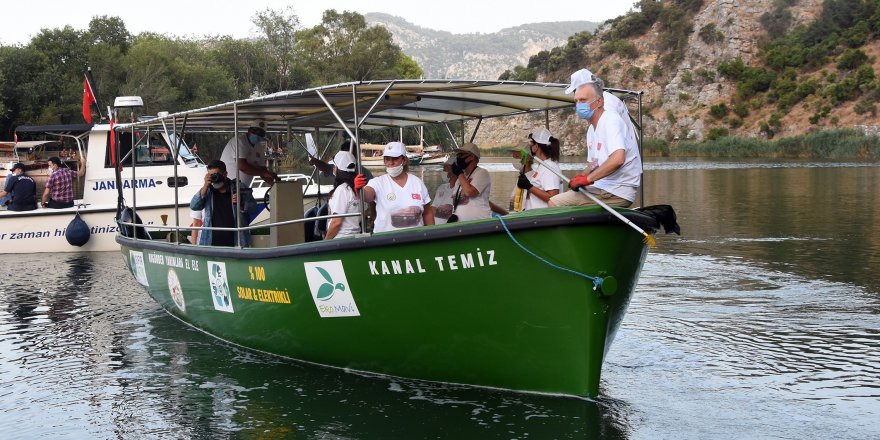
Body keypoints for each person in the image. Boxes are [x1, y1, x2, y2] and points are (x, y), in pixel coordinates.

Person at [549, 79, 643, 208]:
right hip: (603, 187)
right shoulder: (591, 130)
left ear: (599, 101)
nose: (579, 105)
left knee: (554, 203)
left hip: (616, 190)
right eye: (576, 101)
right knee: (569, 195)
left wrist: (587, 179)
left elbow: (618, 159)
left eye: (583, 100)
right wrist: (582, 175)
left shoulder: (610, 121)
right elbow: (594, 164)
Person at [355, 141, 434, 233]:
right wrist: (359, 189)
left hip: (415, 240)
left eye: (395, 159)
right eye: (387, 159)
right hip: (386, 241)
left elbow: (428, 213)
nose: (391, 163)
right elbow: (367, 196)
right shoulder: (377, 182)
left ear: (404, 160)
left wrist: (431, 235)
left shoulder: (417, 183)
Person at [219, 120, 278, 221]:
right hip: (228, 189)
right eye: (255, 132)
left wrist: (275, 184)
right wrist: (264, 172)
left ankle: (242, 235)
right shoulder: (239, 141)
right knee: (234, 220)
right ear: (249, 130)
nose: (257, 135)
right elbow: (242, 166)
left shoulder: (259, 147)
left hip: (244, 190)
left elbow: (263, 170)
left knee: (244, 219)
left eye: (261, 133)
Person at [190, 160, 250, 247]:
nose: (214, 178)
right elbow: (194, 206)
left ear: (225, 174)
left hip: (237, 244)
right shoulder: (207, 190)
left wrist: (241, 203)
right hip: (210, 244)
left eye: (216, 175)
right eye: (211, 175)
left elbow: (253, 209)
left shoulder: (238, 188)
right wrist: (205, 186)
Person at [516, 128, 562, 210]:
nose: (530, 147)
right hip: (534, 215)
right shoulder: (543, 165)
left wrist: (529, 186)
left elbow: (553, 197)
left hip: (543, 217)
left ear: (536, 146)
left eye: (531, 144)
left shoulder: (550, 167)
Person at [448, 142, 492, 222]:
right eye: (458, 155)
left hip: (478, 224)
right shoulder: (461, 178)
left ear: (472, 157)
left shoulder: (482, 173)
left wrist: (459, 173)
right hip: (460, 226)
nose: (458, 158)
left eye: (461, 155)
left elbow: (470, 192)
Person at [324, 151, 362, 239]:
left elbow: (336, 222)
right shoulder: (358, 188)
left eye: (334, 166)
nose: (333, 168)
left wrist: (326, 242)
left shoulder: (342, 190)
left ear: (337, 168)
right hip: (355, 236)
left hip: (340, 239)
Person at [432, 155, 458, 224]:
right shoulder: (441, 187)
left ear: (454, 170)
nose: (443, 171)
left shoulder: (461, 189)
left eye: (445, 168)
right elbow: (433, 207)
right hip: (434, 227)